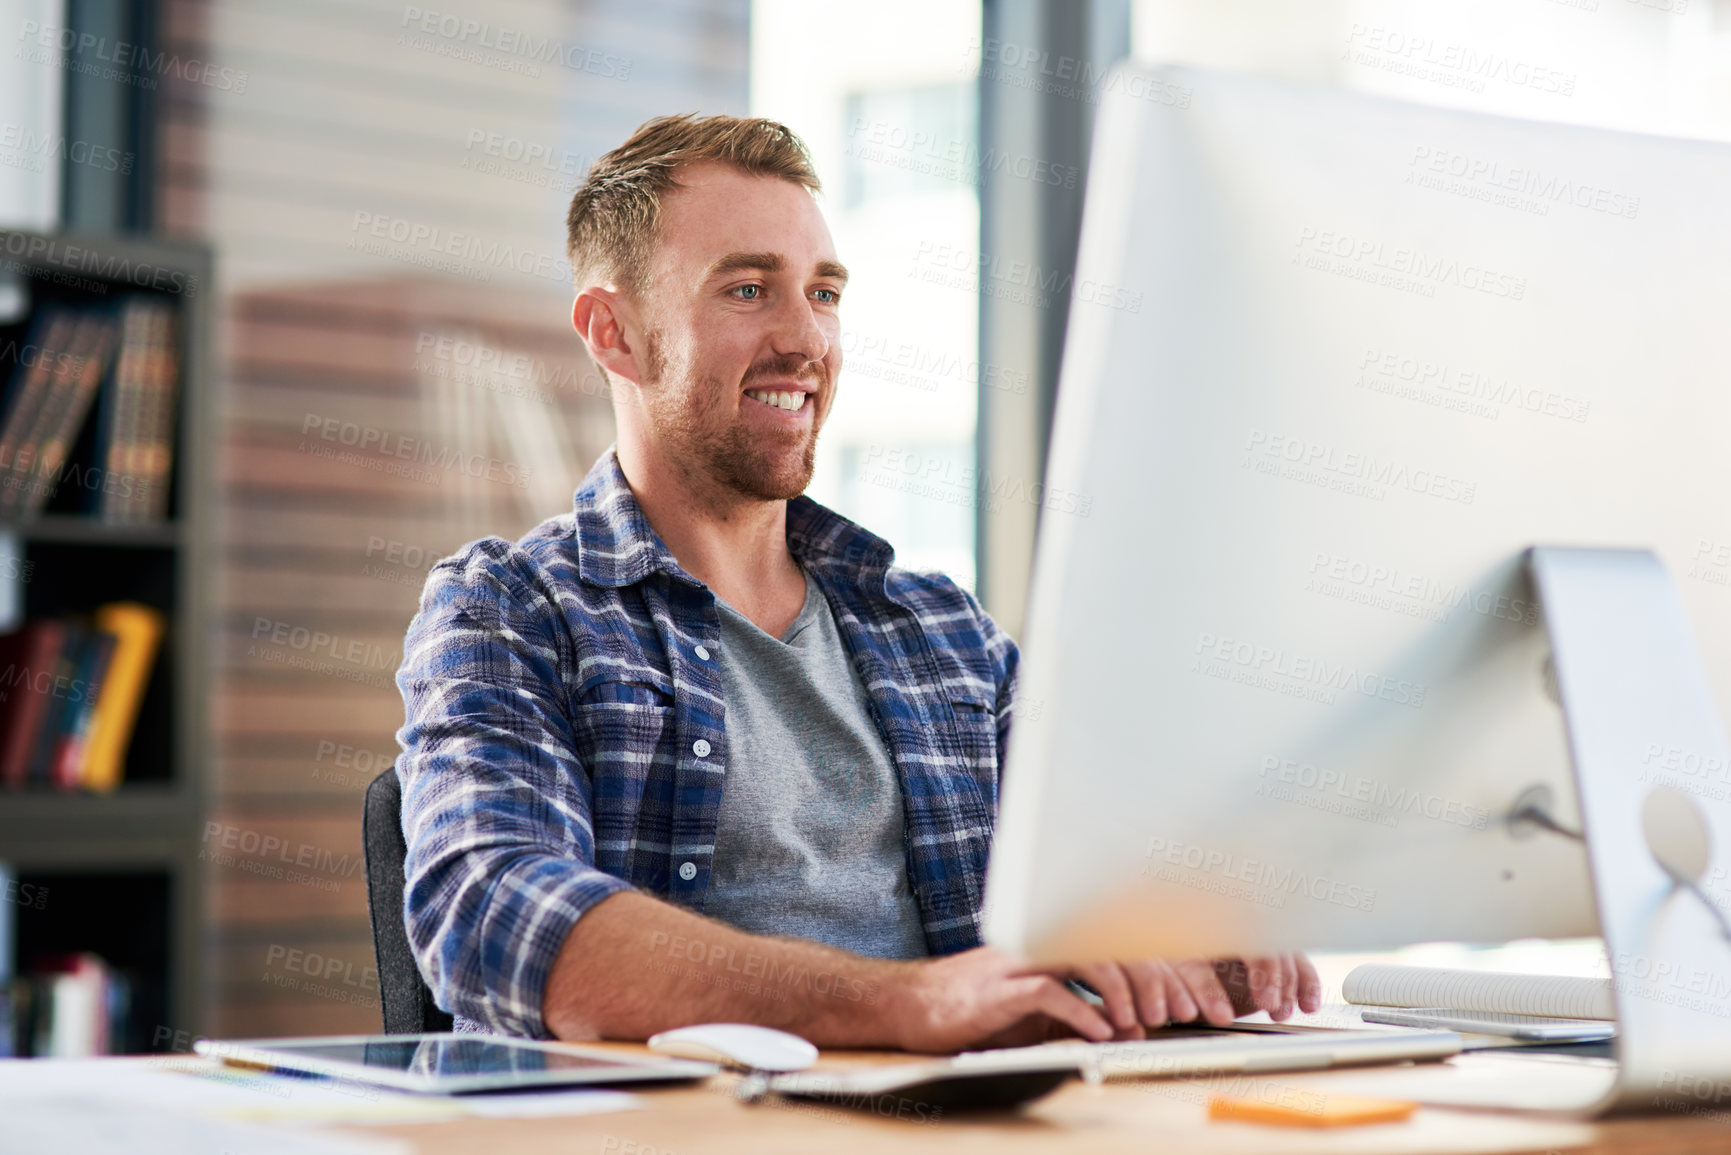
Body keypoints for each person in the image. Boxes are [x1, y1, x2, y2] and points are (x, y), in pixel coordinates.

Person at [395, 113, 1320, 1052]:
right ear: (614, 333)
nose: (806, 338)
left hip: (980, 1119)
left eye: (824, 292)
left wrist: (1176, 940)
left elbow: (1074, 900)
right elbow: (498, 916)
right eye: (748, 289)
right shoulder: (512, 610)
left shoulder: (945, 634)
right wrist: (904, 1002)